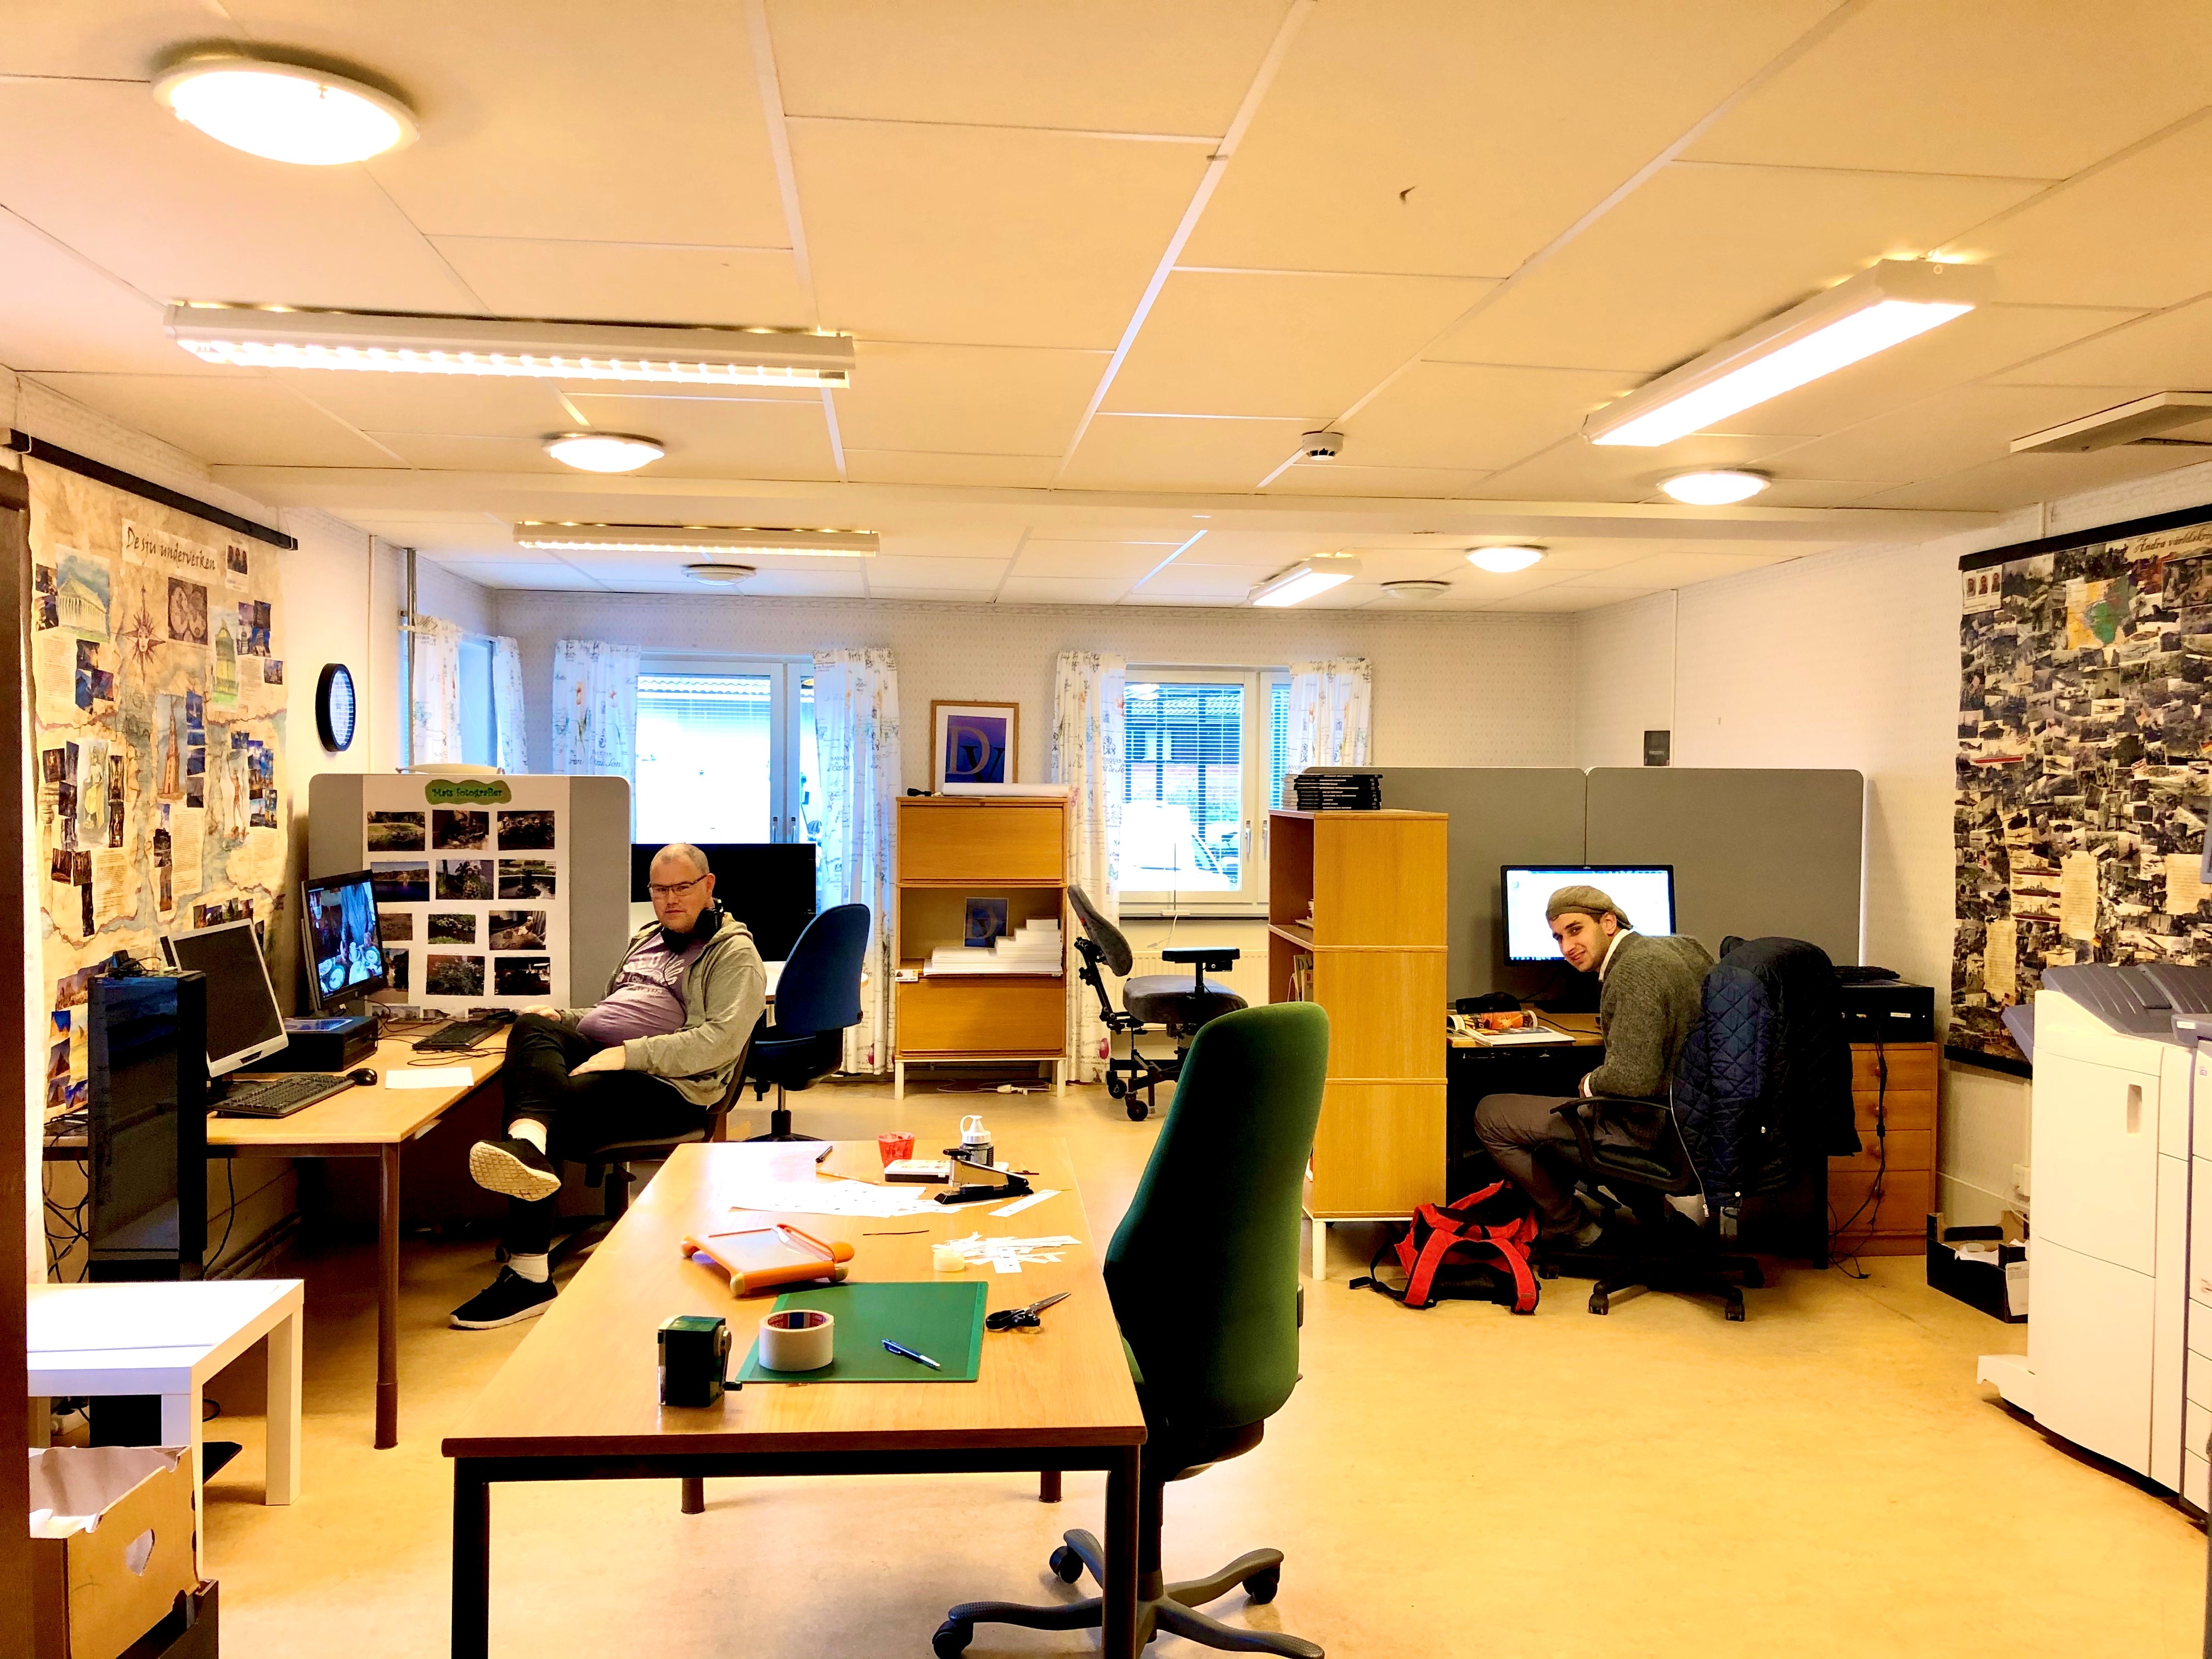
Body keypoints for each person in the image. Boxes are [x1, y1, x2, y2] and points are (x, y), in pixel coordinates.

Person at [449, 842, 767, 1329]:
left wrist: (627, 1055)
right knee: (533, 1027)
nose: (670, 899)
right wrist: (565, 1017)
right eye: (659, 890)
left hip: (668, 1085)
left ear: (709, 886)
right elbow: (612, 1010)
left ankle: (529, 1275)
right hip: (610, 1058)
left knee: (553, 1105)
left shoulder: (734, 954)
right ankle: (527, 1146)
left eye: (682, 887)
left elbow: (717, 1043)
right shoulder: (648, 938)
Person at [1473, 885, 1713, 1250]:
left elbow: (1633, 1081)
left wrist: (1589, 1084)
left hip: (1651, 1129)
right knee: (1563, 1098)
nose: (1567, 947)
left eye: (1576, 930)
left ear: (1609, 923)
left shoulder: (1633, 971)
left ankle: (1577, 1228)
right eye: (1558, 938)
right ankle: (1662, 1223)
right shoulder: (1683, 947)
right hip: (1699, 1124)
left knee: (1491, 1114)